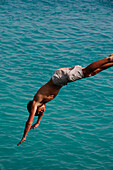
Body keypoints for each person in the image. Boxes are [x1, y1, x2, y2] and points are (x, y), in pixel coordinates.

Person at [17, 54, 113, 146]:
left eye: (38, 111)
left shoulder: (36, 102)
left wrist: (24, 136)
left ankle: (109, 59)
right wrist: (38, 122)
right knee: (92, 73)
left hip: (59, 78)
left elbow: (29, 121)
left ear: (33, 109)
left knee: (85, 72)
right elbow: (41, 113)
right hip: (61, 79)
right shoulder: (42, 104)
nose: (42, 111)